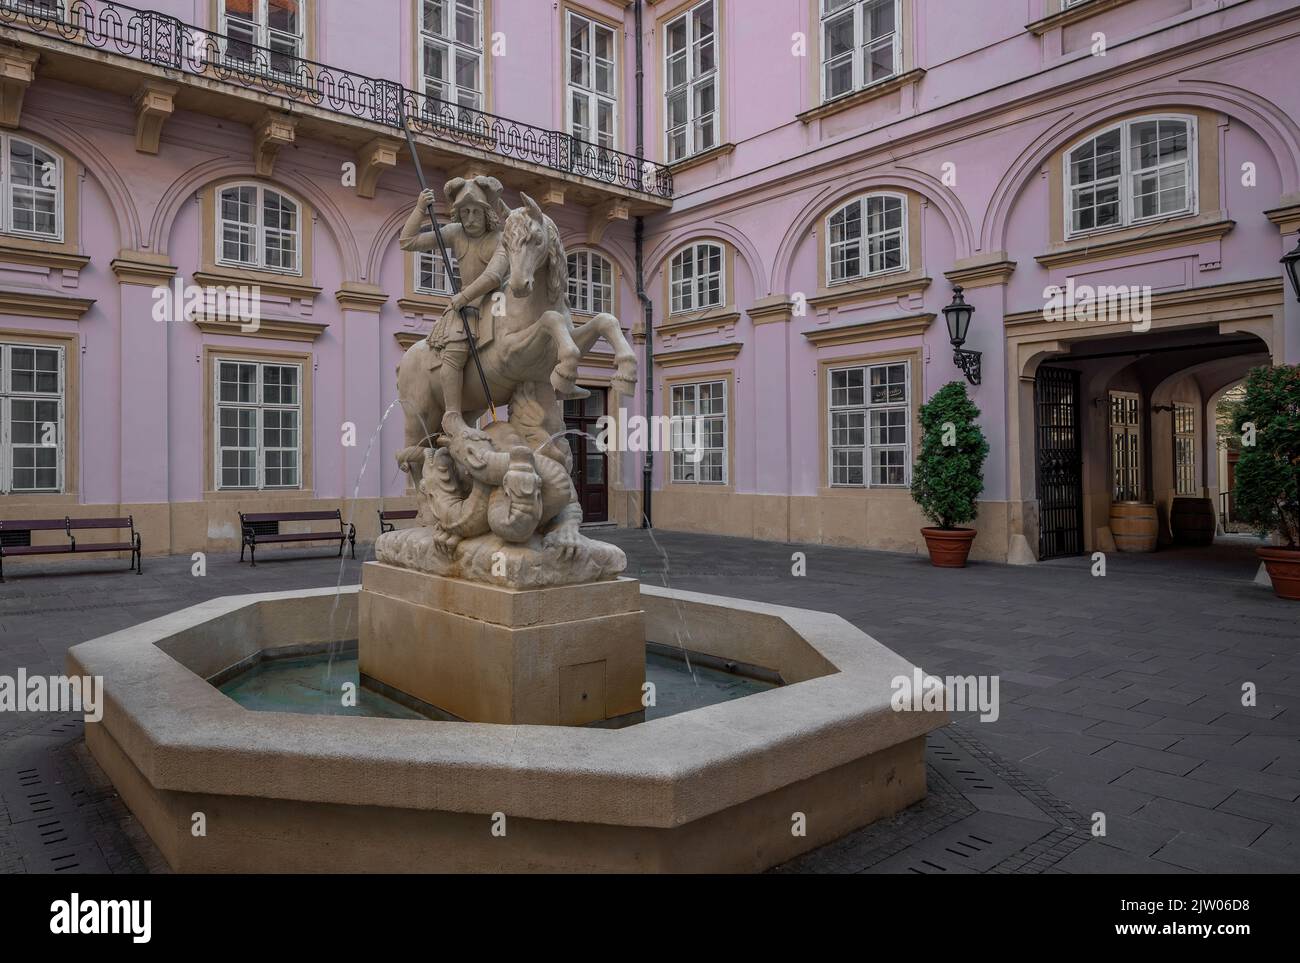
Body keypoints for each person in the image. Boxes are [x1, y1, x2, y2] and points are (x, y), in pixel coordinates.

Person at [399, 175, 510, 439]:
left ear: (487, 214)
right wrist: (418, 209)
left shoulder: (500, 239)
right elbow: (408, 241)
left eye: (476, 212)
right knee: (456, 347)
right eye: (465, 212)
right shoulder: (455, 232)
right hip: (468, 309)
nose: (470, 218)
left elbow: (494, 276)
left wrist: (463, 295)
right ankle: (452, 415)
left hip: (497, 302)